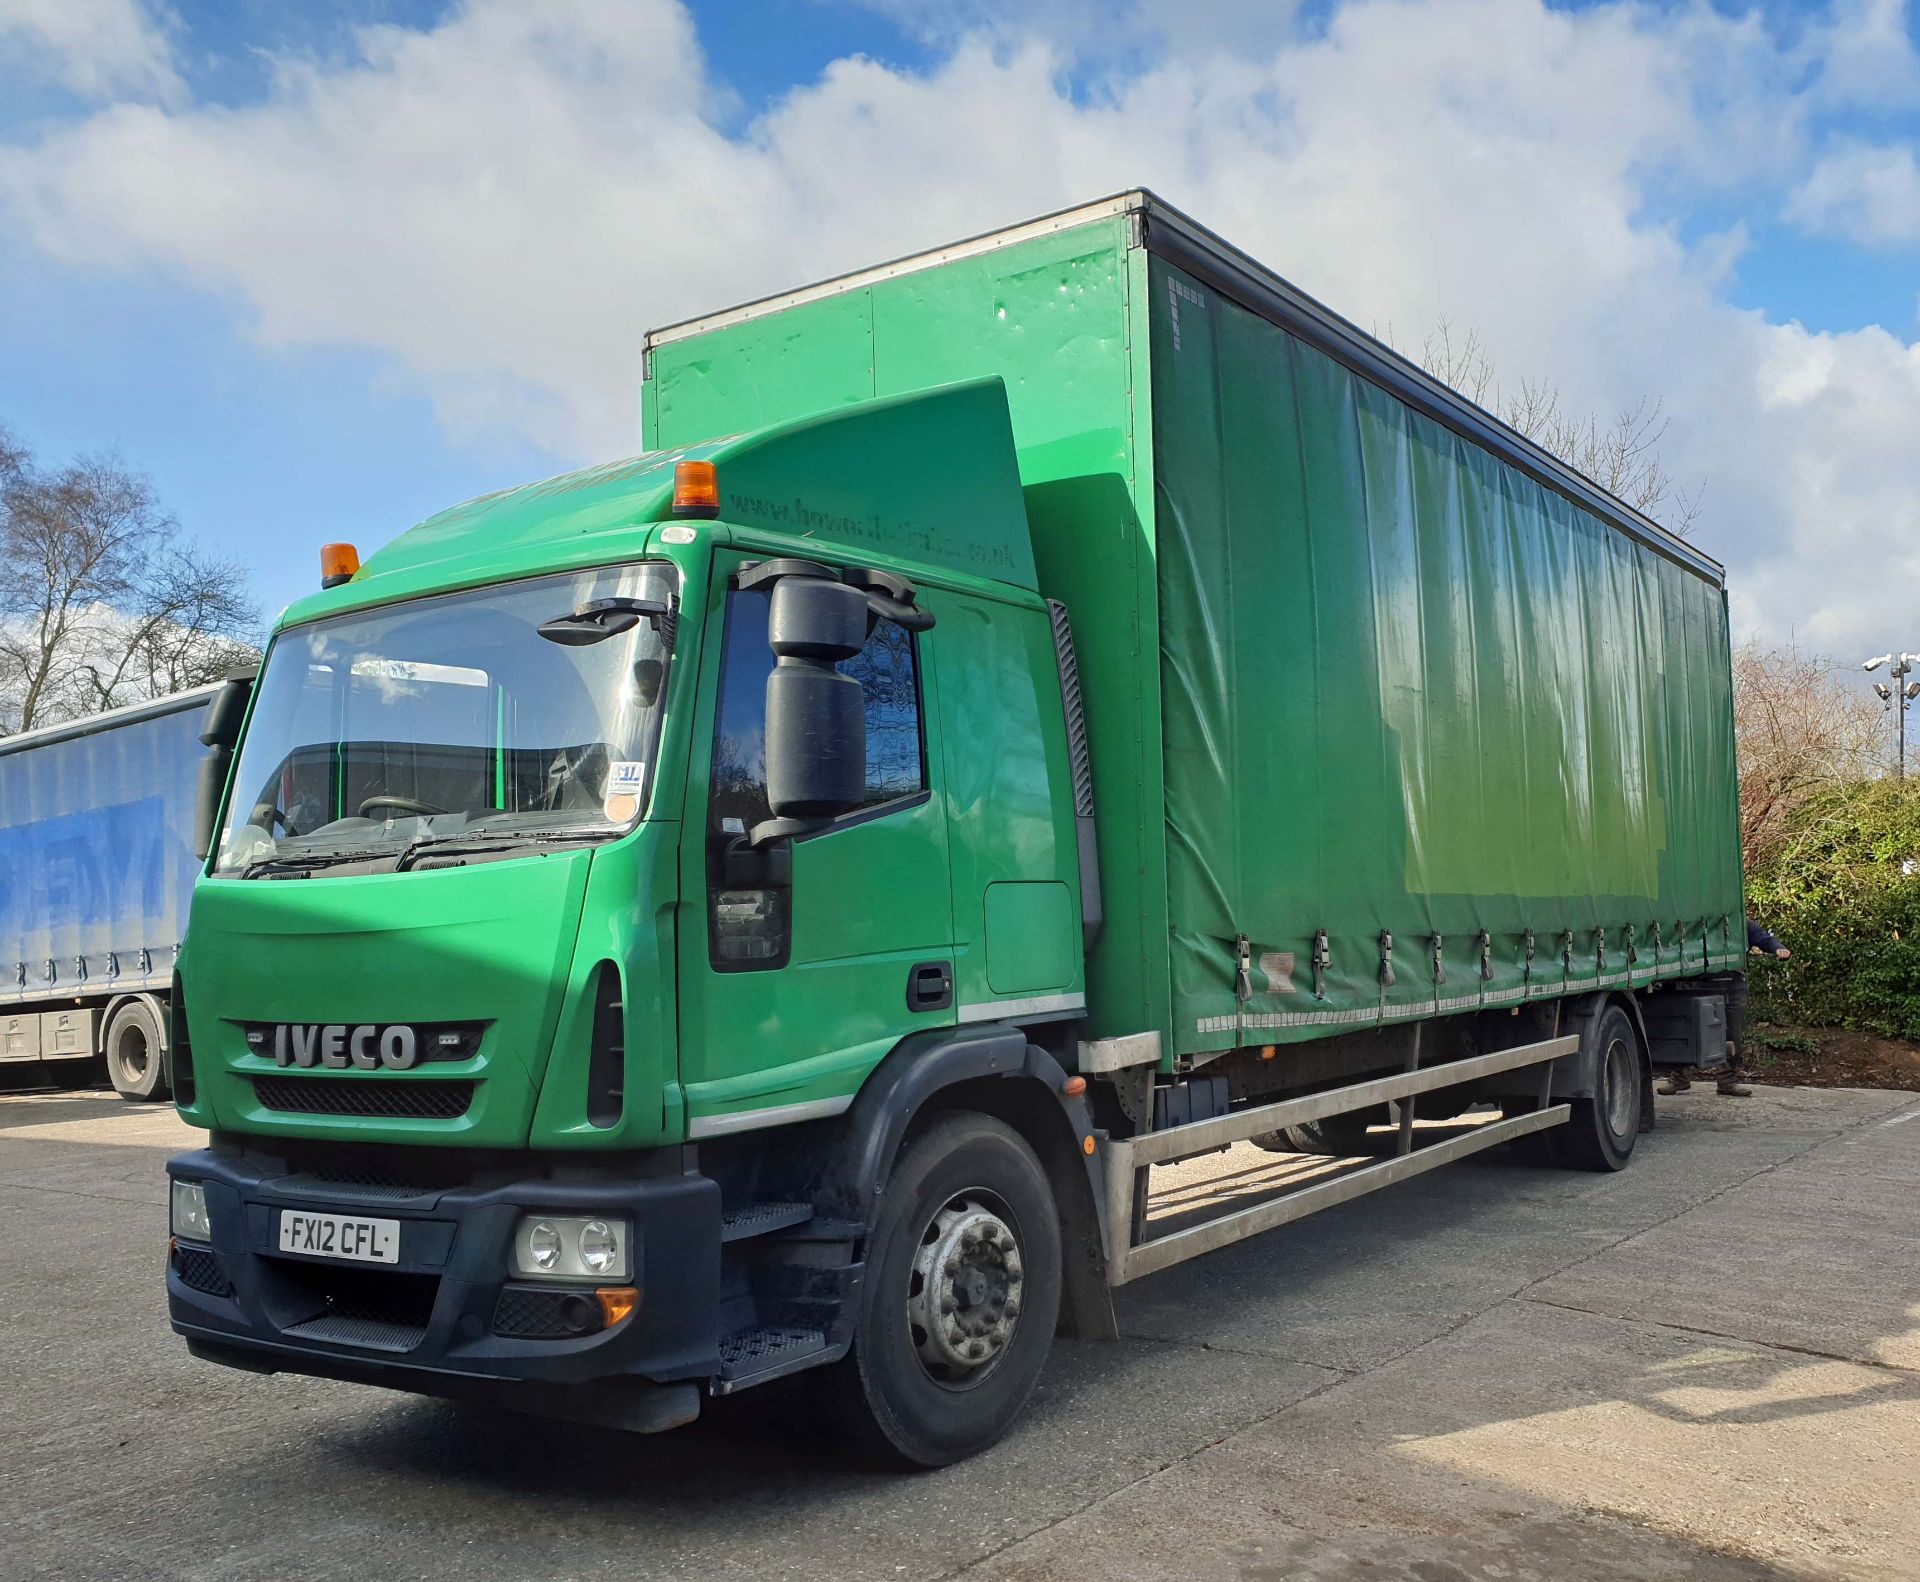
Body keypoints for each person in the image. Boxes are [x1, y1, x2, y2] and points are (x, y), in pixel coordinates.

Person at [1660, 917, 1790, 1097]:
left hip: (1731, 984)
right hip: (1697, 981)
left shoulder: (1740, 922)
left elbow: (1762, 938)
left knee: (1730, 1034)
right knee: (1687, 1029)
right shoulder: (1694, 920)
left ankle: (1727, 1081)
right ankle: (1679, 1078)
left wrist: (1779, 948)